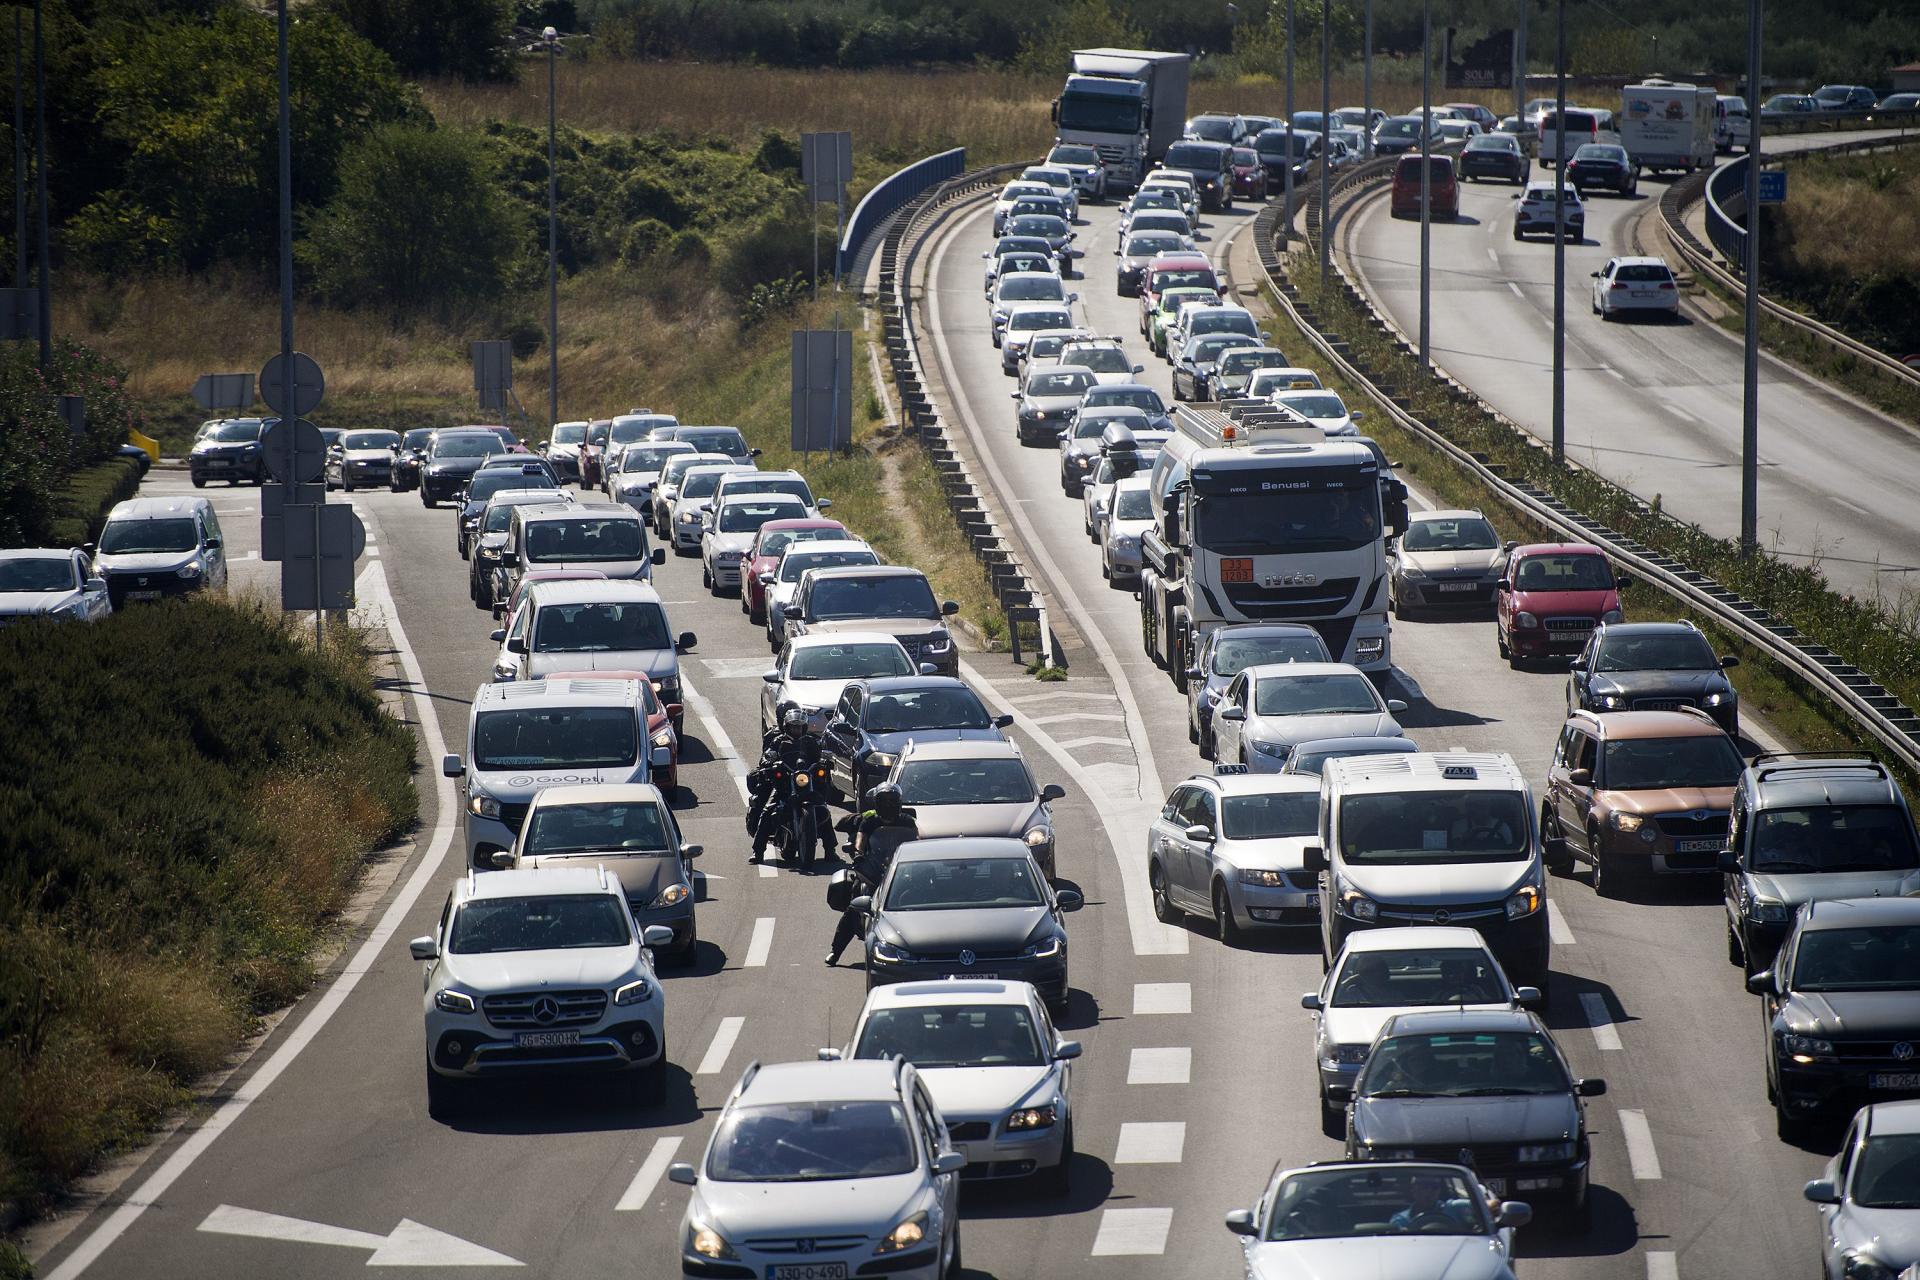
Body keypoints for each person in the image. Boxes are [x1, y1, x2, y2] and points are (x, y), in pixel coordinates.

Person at [825, 785, 918, 966]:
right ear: (877, 803)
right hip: (874, 867)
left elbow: (916, 839)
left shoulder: (907, 821)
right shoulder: (870, 821)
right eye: (885, 801)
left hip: (901, 870)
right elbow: (861, 838)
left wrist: (920, 855)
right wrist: (858, 853)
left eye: (892, 801)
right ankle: (835, 951)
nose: (889, 805)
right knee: (855, 905)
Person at [745, 708, 836, 864]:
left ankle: (830, 850)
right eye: (794, 727)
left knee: (823, 809)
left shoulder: (810, 742)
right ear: (787, 727)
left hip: (806, 782)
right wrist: (769, 762)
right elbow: (768, 755)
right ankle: (757, 851)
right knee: (767, 812)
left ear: (804, 727)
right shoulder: (778, 741)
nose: (797, 730)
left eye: (799, 726)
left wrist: (824, 761)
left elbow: (820, 755)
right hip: (784, 785)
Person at [1388, 1172, 1480, 1233]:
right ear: (1413, 1189)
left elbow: (1488, 1205)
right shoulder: (1400, 1220)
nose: (1429, 1191)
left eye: (1434, 1186)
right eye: (1424, 1186)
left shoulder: (1455, 1207)